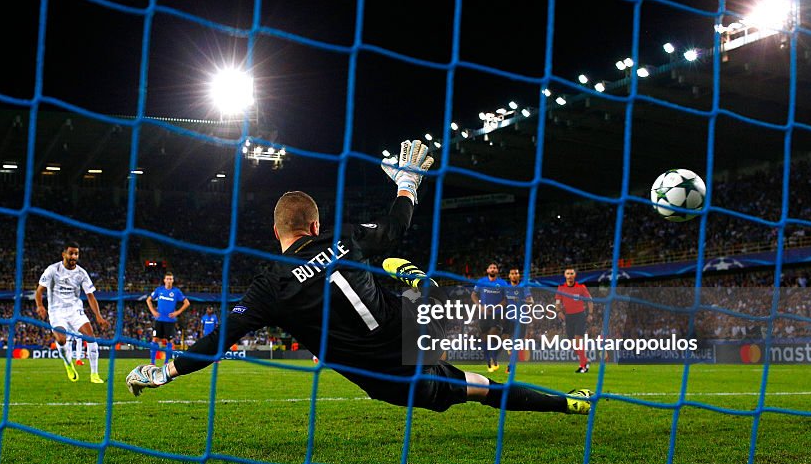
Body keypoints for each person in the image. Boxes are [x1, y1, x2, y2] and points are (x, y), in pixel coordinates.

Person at [128, 139, 592, 417]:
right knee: (426, 301)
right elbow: (395, 228)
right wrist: (406, 186)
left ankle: (417, 285)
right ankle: (565, 401)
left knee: (474, 388)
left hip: (390, 379)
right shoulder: (345, 239)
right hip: (415, 335)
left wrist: (164, 371)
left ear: (276, 232)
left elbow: (219, 339)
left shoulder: (269, 287)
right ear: (314, 226)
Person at [35, 242, 110, 384]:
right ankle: (68, 364)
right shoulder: (52, 270)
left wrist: (98, 316)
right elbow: (39, 291)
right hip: (56, 312)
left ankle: (94, 374)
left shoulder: (81, 273)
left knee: (91, 337)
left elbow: (90, 296)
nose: (73, 256)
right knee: (61, 340)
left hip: (75, 311)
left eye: (76, 254)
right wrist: (40, 306)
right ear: (64, 254)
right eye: (71, 253)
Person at [556, 267, 594, 373]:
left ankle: (583, 366)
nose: (570, 275)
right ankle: (585, 360)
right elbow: (558, 302)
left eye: (572, 273)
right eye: (568, 273)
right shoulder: (561, 287)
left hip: (579, 316)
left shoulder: (581, 287)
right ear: (565, 275)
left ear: (574, 275)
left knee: (577, 341)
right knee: (573, 346)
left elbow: (590, 300)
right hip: (568, 317)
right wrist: (559, 312)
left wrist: (590, 313)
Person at [146, 272, 189, 365]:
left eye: (171, 279)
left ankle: (166, 363)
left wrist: (177, 312)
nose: (169, 281)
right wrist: (153, 311)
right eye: (167, 279)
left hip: (170, 321)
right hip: (159, 320)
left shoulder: (176, 292)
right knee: (154, 340)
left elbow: (187, 303)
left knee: (170, 340)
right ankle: (152, 363)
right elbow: (148, 300)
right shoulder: (159, 290)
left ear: (173, 280)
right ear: (164, 280)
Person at [472, 262, 507, 372]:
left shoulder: (502, 283)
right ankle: (488, 360)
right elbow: (473, 295)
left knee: (492, 335)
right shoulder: (481, 282)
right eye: (491, 268)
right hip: (483, 314)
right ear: (487, 270)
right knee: (484, 337)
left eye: (494, 268)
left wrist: (495, 307)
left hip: (496, 313)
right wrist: (480, 307)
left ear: (497, 271)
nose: (492, 269)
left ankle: (494, 359)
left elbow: (506, 299)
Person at [502, 267, 533, 374]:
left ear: (519, 275)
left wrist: (521, 300)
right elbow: (504, 300)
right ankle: (511, 353)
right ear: (509, 276)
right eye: (512, 273)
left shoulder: (523, 287)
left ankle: (510, 366)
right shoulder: (506, 288)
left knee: (516, 342)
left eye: (516, 273)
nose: (514, 275)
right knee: (504, 338)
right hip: (509, 318)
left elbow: (530, 301)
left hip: (521, 319)